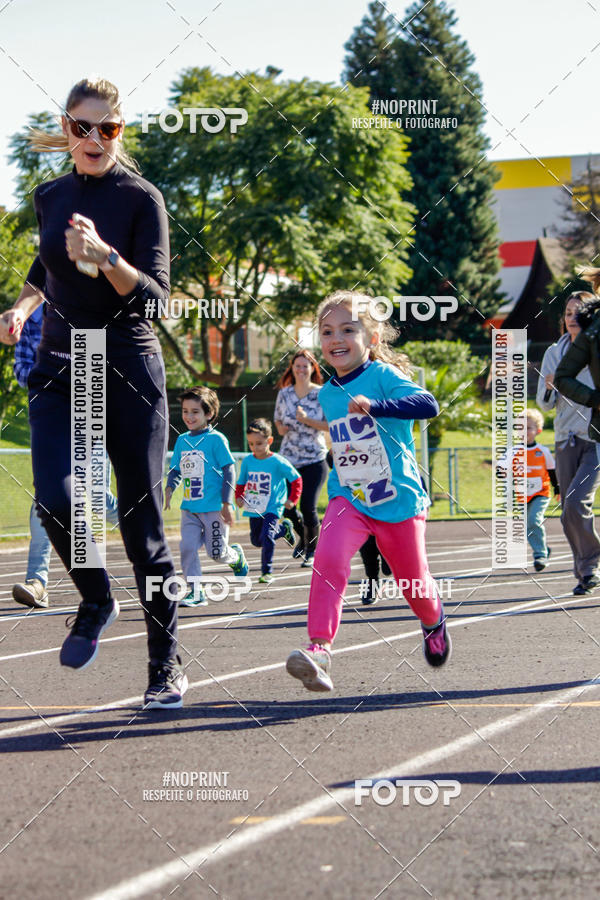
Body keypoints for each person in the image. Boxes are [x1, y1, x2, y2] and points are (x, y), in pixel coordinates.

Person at [0, 77, 186, 708]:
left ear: (119, 131)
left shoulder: (142, 198)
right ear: (67, 128)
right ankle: (96, 597)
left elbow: (156, 299)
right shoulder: (49, 196)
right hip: (61, 367)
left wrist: (107, 257)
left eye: (108, 128)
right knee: (55, 500)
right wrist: (22, 307)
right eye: (83, 126)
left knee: (142, 528)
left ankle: (165, 666)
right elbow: (44, 266)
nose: (95, 138)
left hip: (127, 368)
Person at [285, 291, 445, 692]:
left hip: (398, 499)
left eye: (347, 330)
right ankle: (320, 649)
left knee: (414, 585)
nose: (336, 339)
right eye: (326, 331)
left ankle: (433, 620)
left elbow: (428, 404)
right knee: (328, 558)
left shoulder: (383, 376)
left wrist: (377, 405)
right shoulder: (327, 393)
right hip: (349, 497)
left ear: (371, 339)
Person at [11, 304, 120, 609]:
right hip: (51, 416)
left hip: (90, 415)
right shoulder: (30, 316)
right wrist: (49, 379)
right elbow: (21, 368)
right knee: (46, 498)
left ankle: (150, 540)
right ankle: (37, 582)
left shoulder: (90, 305)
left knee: (98, 500)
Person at [538, 288, 600, 595]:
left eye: (579, 312)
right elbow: (543, 404)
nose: (572, 318)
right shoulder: (554, 353)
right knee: (567, 512)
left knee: (576, 502)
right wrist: (550, 388)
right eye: (567, 313)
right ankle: (585, 572)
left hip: (595, 439)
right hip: (565, 438)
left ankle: (591, 565)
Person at [165, 386, 248, 607]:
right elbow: (176, 470)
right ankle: (196, 591)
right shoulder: (182, 440)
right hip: (190, 509)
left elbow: (229, 469)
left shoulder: (216, 440)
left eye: (195, 412)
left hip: (214, 509)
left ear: (209, 414)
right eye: (185, 411)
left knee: (217, 553)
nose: (189, 416)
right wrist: (169, 488)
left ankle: (235, 556)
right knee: (187, 548)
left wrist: (226, 503)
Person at [274, 350, 329, 567]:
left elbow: (330, 425)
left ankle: (312, 552)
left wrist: (307, 420)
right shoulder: (284, 394)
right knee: (287, 506)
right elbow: (277, 421)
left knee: (308, 506)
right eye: (297, 365)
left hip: (315, 458)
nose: (301, 369)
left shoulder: (322, 394)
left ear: (313, 369)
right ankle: (303, 538)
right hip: (289, 459)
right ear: (292, 368)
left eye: (305, 366)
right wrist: (281, 428)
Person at [235, 418, 302, 583]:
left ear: (269, 441)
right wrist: (239, 496)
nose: (254, 447)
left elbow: (296, 479)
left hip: (273, 506)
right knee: (256, 541)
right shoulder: (248, 461)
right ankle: (284, 530)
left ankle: (267, 571)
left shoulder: (277, 461)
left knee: (267, 536)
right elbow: (241, 482)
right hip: (254, 506)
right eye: (251, 444)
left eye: (259, 443)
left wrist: (292, 499)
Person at [497, 409, 559, 572]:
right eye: (520, 428)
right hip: (522, 495)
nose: (524, 431)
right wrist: (501, 472)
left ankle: (540, 555)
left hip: (541, 493)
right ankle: (543, 547)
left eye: (528, 428)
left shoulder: (543, 451)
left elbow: (552, 471)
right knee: (528, 525)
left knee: (534, 520)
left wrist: (557, 489)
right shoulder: (513, 451)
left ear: (538, 430)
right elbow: (501, 466)